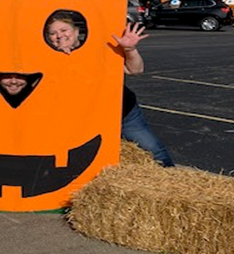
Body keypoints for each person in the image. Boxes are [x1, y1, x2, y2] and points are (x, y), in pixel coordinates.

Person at [45, 12, 175, 167]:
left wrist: (129, 49)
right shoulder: (44, 59)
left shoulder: (100, 49)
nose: (59, 36)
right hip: (85, 118)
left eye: (64, 30)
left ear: (76, 32)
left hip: (122, 112)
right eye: (53, 33)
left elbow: (135, 69)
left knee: (153, 150)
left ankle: (171, 179)